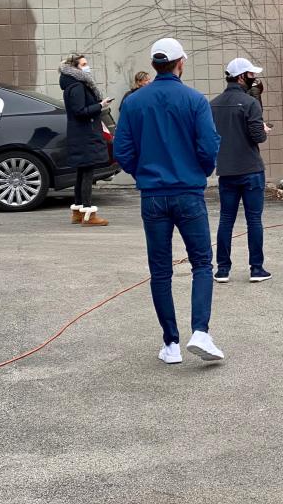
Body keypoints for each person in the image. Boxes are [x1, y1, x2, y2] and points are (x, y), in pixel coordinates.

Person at [113, 37, 224, 364]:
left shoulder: (133, 103)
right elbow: (209, 145)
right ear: (181, 63)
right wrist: (199, 171)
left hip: (153, 195)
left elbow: (122, 150)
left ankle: (171, 343)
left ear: (153, 65)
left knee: (160, 270)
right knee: (202, 263)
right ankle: (200, 331)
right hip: (188, 192)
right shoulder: (194, 100)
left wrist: (142, 174)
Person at [210, 57, 272, 283]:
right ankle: (256, 268)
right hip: (250, 168)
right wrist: (263, 130)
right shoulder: (250, 103)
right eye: (251, 75)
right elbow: (258, 136)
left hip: (226, 169)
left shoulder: (213, 104)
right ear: (241, 77)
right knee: (253, 220)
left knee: (226, 219)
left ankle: (222, 269)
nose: (254, 79)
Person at [58, 53, 115, 227]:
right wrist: (100, 105)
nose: (87, 67)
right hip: (85, 135)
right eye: (83, 64)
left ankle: (79, 212)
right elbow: (80, 111)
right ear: (75, 68)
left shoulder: (73, 84)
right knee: (87, 174)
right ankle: (88, 214)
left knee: (82, 173)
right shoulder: (77, 86)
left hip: (81, 134)